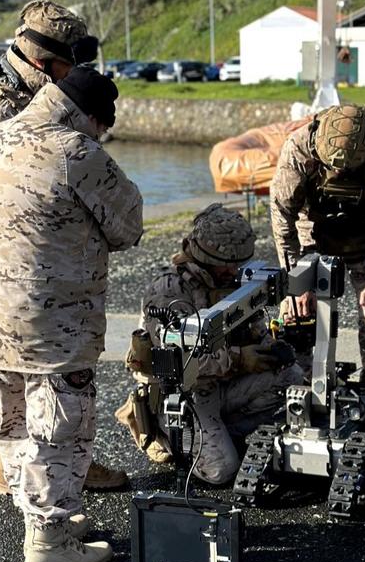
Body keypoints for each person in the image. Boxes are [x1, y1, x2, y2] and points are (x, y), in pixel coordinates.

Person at [0, 68, 143, 562]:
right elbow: (128, 225)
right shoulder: (77, 153)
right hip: (54, 325)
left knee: (14, 413)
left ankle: (37, 515)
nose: (100, 137)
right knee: (60, 427)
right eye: (101, 128)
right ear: (91, 117)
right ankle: (48, 540)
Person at [0, 0, 127, 494]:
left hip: (18, 259)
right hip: (16, 261)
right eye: (68, 65)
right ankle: (38, 474)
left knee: (24, 378)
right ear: (43, 62)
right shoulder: (0, 108)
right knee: (37, 378)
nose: (71, 75)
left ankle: (33, 470)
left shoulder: (26, 99)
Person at [121, 204, 302, 486]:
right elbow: (180, 361)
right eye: (227, 264)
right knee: (221, 472)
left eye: (238, 263)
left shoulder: (231, 280)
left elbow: (254, 327)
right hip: (186, 397)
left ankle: (219, 435)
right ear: (206, 257)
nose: (234, 270)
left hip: (224, 386)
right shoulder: (169, 292)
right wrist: (239, 359)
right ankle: (166, 438)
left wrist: (269, 348)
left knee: (291, 378)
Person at [270, 104, 365, 386]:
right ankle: (302, 380)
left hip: (364, 231)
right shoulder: (299, 147)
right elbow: (281, 215)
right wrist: (296, 284)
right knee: (297, 314)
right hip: (310, 230)